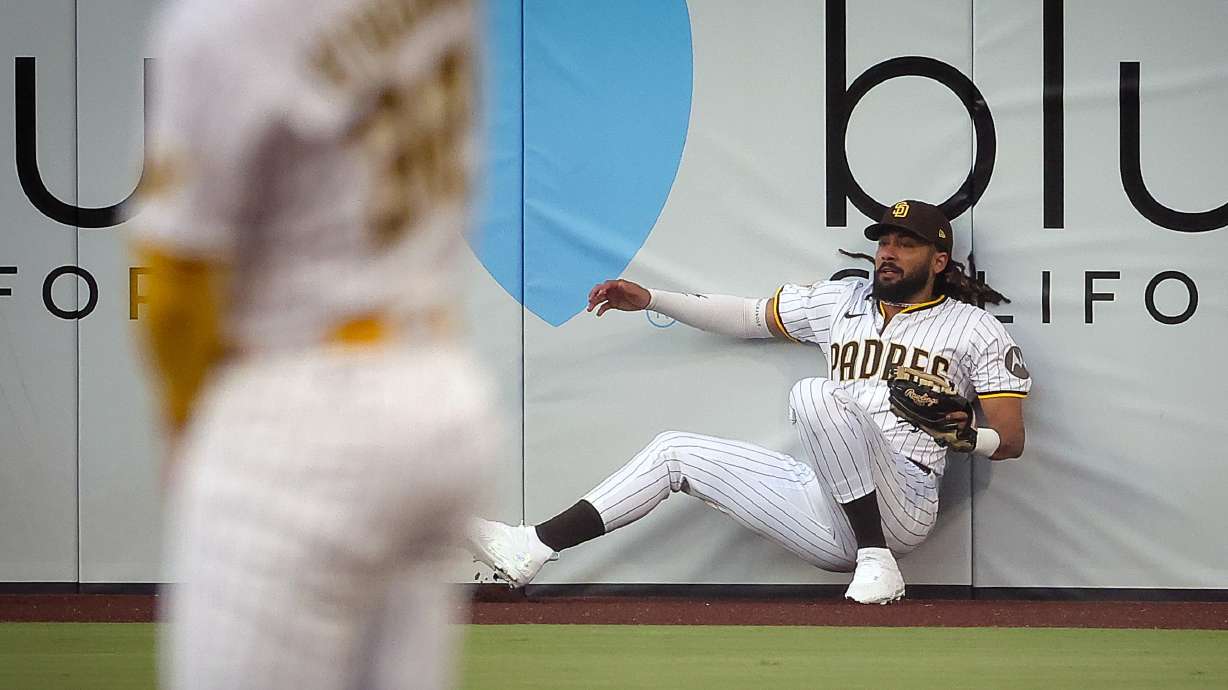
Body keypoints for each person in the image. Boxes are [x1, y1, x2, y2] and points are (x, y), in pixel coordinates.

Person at [134, 0, 495, 687]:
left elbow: (175, 285)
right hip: (441, 386)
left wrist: (185, 421)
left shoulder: (222, 22)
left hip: (304, 403)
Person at [469, 199, 1030, 604]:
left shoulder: (974, 329)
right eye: (884, 241)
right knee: (675, 452)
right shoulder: (843, 301)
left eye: (906, 244)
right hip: (833, 507)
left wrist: (965, 436)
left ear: (939, 260)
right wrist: (652, 299)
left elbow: (1011, 440)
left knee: (816, 393)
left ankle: (879, 558)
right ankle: (531, 547)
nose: (887, 252)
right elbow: (747, 316)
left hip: (905, 496)